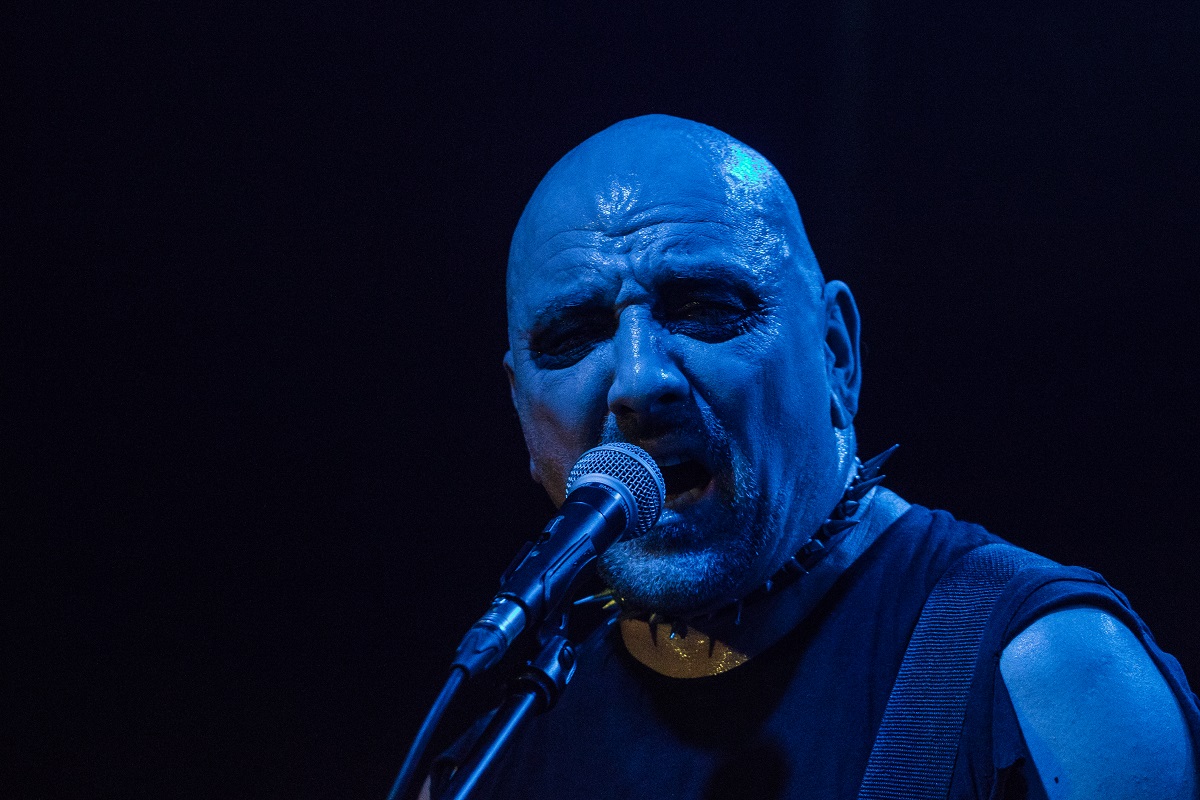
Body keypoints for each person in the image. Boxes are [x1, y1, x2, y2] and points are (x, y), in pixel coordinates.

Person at [429, 115, 1200, 799]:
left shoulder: (1053, 677)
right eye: (573, 336)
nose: (639, 381)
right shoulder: (485, 768)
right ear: (522, 411)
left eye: (703, 307)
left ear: (836, 354)